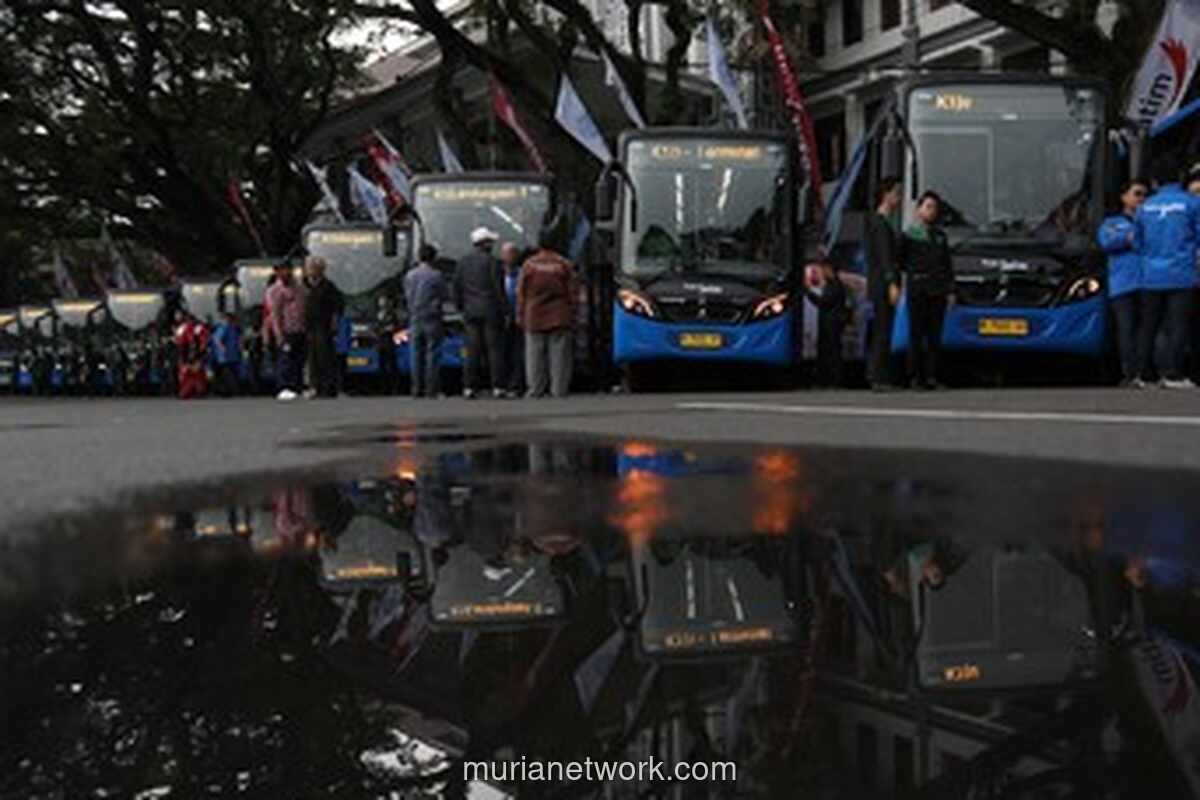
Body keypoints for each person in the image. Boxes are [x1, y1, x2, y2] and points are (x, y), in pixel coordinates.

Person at [1135, 156, 1200, 389]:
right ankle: (1173, 373)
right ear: (1181, 177)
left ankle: (1144, 374)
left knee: (1148, 326)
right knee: (1179, 324)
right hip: (1182, 273)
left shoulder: (1145, 207)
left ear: (1154, 181)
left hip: (1151, 274)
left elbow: (1137, 242)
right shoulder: (1191, 203)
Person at [1098, 179, 1149, 387]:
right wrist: (1130, 236)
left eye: (1145, 195)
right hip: (1123, 283)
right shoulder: (1112, 222)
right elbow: (1108, 241)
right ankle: (1130, 373)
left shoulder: (1151, 220)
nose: (1141, 199)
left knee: (1147, 329)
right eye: (1137, 194)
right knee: (1126, 329)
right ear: (1124, 197)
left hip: (1148, 282)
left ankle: (1147, 372)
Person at [901, 191, 955, 390]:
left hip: (938, 290)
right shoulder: (909, 235)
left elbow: (947, 265)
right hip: (918, 289)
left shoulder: (940, 236)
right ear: (919, 209)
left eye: (934, 208)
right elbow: (901, 261)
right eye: (928, 207)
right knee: (916, 334)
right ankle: (915, 377)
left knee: (934, 336)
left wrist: (950, 291)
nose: (931, 211)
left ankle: (932, 376)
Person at [517, 230, 577, 398]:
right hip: (559, 313)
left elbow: (521, 292)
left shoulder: (529, 265)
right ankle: (558, 389)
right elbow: (572, 291)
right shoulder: (563, 264)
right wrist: (573, 313)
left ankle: (535, 389)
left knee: (534, 354)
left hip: (533, 313)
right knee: (560, 355)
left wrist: (520, 313)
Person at [453, 227, 508, 399]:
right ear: (485, 244)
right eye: (490, 242)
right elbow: (498, 289)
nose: (492, 245)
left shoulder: (462, 262)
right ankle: (498, 386)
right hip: (491, 310)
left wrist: (460, 307)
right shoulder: (493, 262)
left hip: (470, 311)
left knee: (472, 351)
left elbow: (457, 287)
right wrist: (505, 310)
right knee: (494, 350)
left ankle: (469, 387)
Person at [865, 176, 904, 391]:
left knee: (883, 329)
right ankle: (879, 376)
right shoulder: (880, 223)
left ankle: (877, 374)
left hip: (879, 282)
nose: (899, 198)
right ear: (886, 195)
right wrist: (892, 283)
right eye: (897, 193)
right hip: (883, 284)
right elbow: (884, 256)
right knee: (883, 329)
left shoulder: (877, 222)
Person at [404, 243, 448, 398]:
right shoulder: (437, 275)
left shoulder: (410, 275)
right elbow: (444, 295)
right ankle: (432, 389)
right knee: (433, 353)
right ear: (433, 258)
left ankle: (416, 388)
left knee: (416, 354)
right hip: (432, 317)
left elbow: (407, 295)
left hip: (414, 317)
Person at [264, 261, 307, 401]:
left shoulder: (300, 288)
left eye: (289, 270)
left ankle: (297, 386)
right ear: (277, 272)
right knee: (285, 359)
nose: (286, 273)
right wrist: (278, 333)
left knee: (299, 359)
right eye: (282, 270)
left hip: (300, 329)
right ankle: (284, 387)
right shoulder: (275, 290)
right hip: (286, 329)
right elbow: (275, 314)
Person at [303, 255, 344, 399]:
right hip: (309, 325)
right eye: (309, 268)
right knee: (312, 358)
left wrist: (335, 321)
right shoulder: (304, 285)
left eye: (314, 268)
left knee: (324, 357)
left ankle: (327, 387)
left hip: (323, 325)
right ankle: (314, 386)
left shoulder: (328, 286)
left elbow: (338, 305)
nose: (311, 271)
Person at [803, 259, 847, 389]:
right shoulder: (831, 284)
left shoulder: (835, 285)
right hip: (828, 323)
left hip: (832, 324)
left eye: (824, 269)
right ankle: (826, 380)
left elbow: (824, 302)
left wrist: (808, 292)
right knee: (826, 352)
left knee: (831, 353)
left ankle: (833, 380)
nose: (823, 272)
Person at [499, 241, 525, 396]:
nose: (509, 257)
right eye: (507, 254)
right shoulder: (497, 273)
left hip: (519, 318)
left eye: (512, 253)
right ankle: (503, 383)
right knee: (502, 352)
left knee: (518, 352)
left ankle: (516, 384)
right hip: (502, 319)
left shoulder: (524, 273)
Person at [173, 310, 209, 400]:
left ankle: (187, 393)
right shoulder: (198, 328)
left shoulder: (183, 328)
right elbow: (204, 342)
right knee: (196, 374)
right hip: (194, 355)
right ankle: (198, 392)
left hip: (187, 355)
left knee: (187, 375)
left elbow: (178, 342)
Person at [210, 310, 243, 398]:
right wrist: (222, 348)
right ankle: (226, 391)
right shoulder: (224, 328)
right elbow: (217, 340)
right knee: (227, 374)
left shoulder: (232, 328)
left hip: (230, 355)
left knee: (229, 374)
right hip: (226, 356)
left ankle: (228, 391)